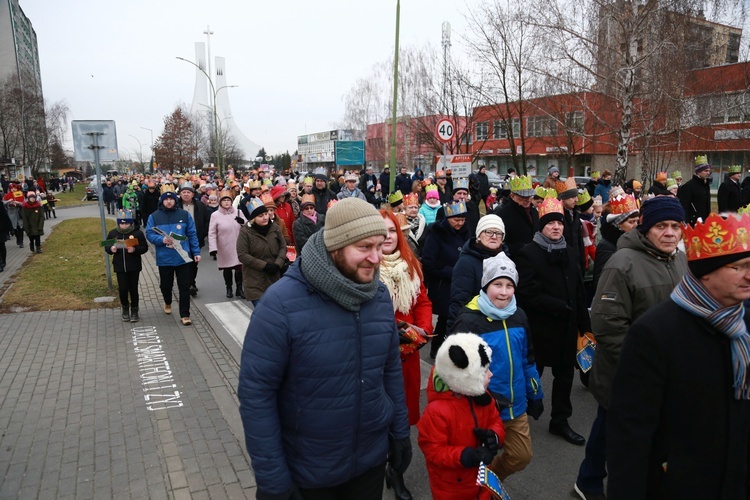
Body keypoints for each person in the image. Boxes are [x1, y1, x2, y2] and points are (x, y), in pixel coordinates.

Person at [238, 197, 412, 499]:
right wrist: (272, 479)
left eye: (378, 246)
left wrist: (399, 432)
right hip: (309, 473)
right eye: (364, 248)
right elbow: (256, 396)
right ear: (335, 247)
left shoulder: (379, 296)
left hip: (369, 463)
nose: (376, 258)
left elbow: (389, 370)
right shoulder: (279, 305)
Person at [606, 212, 750, 498]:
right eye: (739, 267)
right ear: (706, 271)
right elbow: (631, 434)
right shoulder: (655, 332)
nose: (749, 275)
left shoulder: (745, 321)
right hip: (680, 485)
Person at [574, 196, 687, 500]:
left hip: (666, 373)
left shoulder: (679, 259)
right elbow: (608, 327)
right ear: (646, 228)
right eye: (661, 225)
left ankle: (592, 478)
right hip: (626, 372)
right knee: (615, 429)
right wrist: (646, 367)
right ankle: (590, 482)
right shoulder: (621, 264)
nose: (669, 232)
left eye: (676, 226)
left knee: (616, 428)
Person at [452, 254, 544, 480]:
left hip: (516, 405)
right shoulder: (468, 320)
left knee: (521, 456)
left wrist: (535, 393)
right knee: (476, 462)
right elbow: (455, 372)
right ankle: (480, 489)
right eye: (497, 285)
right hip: (482, 408)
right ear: (485, 285)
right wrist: (482, 397)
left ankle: (491, 482)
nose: (503, 292)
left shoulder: (519, 315)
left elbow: (528, 359)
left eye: (509, 285)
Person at [514, 196, 591, 446]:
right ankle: (519, 419)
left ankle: (560, 420)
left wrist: (585, 325)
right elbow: (526, 293)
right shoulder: (528, 253)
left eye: (558, 223)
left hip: (567, 330)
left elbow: (579, 291)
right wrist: (558, 306)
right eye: (550, 224)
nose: (556, 227)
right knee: (532, 375)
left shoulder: (569, 253)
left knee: (565, 377)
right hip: (540, 330)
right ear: (541, 227)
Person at [378, 209, 433, 500]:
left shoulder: (411, 264)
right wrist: (398, 328)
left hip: (408, 356)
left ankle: (395, 473)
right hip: (376, 357)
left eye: (391, 231)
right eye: (381, 231)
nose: (387, 236)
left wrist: (422, 328)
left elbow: (423, 301)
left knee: (402, 424)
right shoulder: (366, 265)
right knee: (377, 420)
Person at [418, 333, 505, 500]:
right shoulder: (436, 412)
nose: (491, 375)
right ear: (466, 377)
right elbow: (433, 451)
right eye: (485, 371)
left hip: (481, 482)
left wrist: (494, 435)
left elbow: (496, 421)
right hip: (452, 488)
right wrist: (466, 455)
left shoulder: (483, 397)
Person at [145, 189, 201, 326]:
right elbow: (149, 234)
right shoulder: (154, 216)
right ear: (162, 201)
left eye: (171, 199)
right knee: (166, 285)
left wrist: (196, 252)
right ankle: (168, 301)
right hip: (164, 258)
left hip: (182, 257)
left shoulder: (184, 215)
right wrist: (161, 240)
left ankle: (185, 314)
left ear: (175, 201)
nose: (169, 201)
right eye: (166, 199)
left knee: (184, 287)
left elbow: (192, 234)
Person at [423, 201, 471, 358]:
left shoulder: (466, 232)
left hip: (462, 285)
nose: (460, 224)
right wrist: (454, 272)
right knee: (444, 319)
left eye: (462, 220)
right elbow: (429, 263)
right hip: (443, 284)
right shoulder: (436, 233)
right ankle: (436, 348)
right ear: (448, 217)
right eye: (456, 220)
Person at [448, 214, 508, 332]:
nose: (494, 236)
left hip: (501, 326)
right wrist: (453, 332)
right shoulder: (466, 262)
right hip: (475, 325)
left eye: (499, 233)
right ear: (479, 236)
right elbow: (459, 301)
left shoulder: (507, 261)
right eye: (489, 232)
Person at [235, 197, 287, 307]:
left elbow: (283, 246)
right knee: (262, 313)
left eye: (266, 214)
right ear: (253, 219)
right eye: (260, 216)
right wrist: (264, 266)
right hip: (255, 280)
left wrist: (278, 264)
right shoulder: (245, 231)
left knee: (275, 312)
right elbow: (242, 255)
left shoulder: (275, 227)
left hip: (274, 277)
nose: (265, 217)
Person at [591, 190, 639, 292]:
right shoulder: (607, 246)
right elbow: (601, 281)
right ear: (618, 224)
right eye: (631, 222)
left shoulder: (636, 242)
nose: (635, 225)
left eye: (637, 221)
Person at [105, 209, 148, 322]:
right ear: (118, 223)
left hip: (133, 266)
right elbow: (106, 246)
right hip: (119, 266)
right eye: (122, 223)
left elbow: (144, 247)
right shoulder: (113, 233)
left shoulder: (137, 233)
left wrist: (134, 249)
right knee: (123, 289)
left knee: (133, 289)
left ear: (131, 223)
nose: (124, 225)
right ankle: (125, 308)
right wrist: (111, 249)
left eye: (126, 223)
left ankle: (134, 310)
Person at [208, 190, 246, 300]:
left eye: (228, 200)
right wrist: (213, 248)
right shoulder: (215, 215)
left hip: (238, 245)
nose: (226, 202)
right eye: (224, 200)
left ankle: (239, 288)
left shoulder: (238, 212)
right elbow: (212, 232)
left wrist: (242, 221)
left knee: (240, 268)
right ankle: (228, 288)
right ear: (220, 202)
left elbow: (248, 225)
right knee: (227, 268)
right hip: (224, 246)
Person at [493, 175, 538, 258]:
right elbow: (499, 244)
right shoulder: (503, 215)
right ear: (512, 196)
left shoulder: (534, 212)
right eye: (523, 197)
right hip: (515, 260)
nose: (527, 199)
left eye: (529, 196)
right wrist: (522, 247)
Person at [177, 182, 208, 296]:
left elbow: (206, 221)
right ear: (180, 194)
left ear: (193, 194)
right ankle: (185, 283)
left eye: (188, 192)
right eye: (183, 192)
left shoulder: (200, 206)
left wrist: (202, 234)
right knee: (184, 262)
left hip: (196, 238)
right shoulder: (176, 206)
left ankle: (192, 282)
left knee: (194, 263)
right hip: (180, 239)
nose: (186, 194)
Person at [677, 155, 712, 225]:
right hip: (693, 223)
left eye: (709, 171)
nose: (708, 173)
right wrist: (686, 223)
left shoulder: (705, 185)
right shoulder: (688, 186)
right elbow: (684, 206)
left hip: (705, 221)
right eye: (706, 171)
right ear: (698, 171)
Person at [401, 193, 427, 257]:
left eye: (416, 207)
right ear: (405, 209)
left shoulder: (423, 222)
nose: (414, 210)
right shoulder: (400, 221)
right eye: (410, 207)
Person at [3, 183, 25, 248]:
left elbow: (24, 203)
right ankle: (18, 238)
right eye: (12, 188)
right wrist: (9, 202)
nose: (13, 189)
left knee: (20, 227)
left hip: (19, 212)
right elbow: (4, 204)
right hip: (11, 213)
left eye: (15, 188)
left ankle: (21, 242)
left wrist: (18, 203)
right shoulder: (7, 195)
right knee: (14, 228)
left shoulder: (20, 193)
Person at [0, 198, 12, 271]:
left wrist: (10, 228)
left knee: (2, 246)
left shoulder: (0, 205)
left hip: (1, 229)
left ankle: (3, 261)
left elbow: (5, 216)